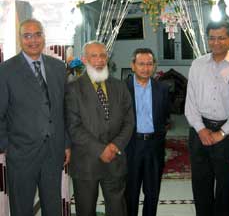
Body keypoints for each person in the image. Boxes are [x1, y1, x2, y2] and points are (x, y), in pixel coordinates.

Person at [0, 18, 70, 216]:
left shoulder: (58, 67)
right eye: (27, 36)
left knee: (52, 208)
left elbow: (63, 109)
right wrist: (7, 146)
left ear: (44, 37)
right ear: (20, 39)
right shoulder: (6, 70)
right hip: (21, 155)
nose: (33, 40)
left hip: (53, 153)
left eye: (37, 34)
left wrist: (65, 143)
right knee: (21, 209)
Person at [65, 41, 134, 216]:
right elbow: (74, 127)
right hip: (86, 163)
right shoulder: (73, 89)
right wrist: (100, 149)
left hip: (115, 159)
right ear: (84, 59)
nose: (99, 60)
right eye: (93, 56)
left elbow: (129, 121)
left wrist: (114, 146)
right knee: (86, 210)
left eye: (103, 55)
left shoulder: (120, 86)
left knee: (118, 210)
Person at [185, 21, 229, 216]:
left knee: (226, 186)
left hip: (228, 134)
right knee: (201, 184)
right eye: (212, 38)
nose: (216, 42)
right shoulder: (197, 64)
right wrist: (200, 129)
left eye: (221, 37)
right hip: (199, 131)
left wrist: (222, 132)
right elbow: (190, 102)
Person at [125, 48, 170, 216]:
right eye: (141, 64)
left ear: (154, 66)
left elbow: (165, 116)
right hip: (132, 145)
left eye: (149, 64)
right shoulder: (123, 88)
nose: (146, 68)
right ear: (133, 66)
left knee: (152, 193)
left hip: (154, 146)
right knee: (131, 192)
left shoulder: (163, 89)